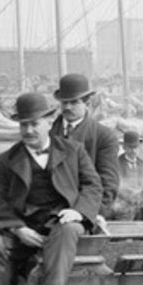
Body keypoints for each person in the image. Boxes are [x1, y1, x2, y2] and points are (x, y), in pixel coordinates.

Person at [0, 92, 102, 285]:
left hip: (61, 222)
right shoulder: (6, 160)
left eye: (34, 124)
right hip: (23, 227)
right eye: (23, 125)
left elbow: (93, 186)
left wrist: (78, 212)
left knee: (69, 230)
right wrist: (18, 229)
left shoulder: (73, 151)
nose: (28, 130)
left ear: (49, 122)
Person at [50, 72, 119, 221]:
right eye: (64, 102)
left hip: (85, 212)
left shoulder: (104, 136)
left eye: (74, 102)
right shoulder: (48, 133)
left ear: (87, 104)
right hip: (49, 212)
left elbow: (108, 182)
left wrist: (91, 214)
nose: (68, 107)